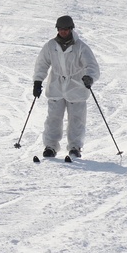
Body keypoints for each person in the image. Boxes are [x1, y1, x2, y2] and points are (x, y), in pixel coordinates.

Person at [32, 15, 101, 159]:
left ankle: (75, 147)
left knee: (77, 119)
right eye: (60, 29)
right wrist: (38, 81)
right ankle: (50, 146)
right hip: (56, 86)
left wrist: (89, 77)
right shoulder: (51, 46)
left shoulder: (80, 47)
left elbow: (92, 65)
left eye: (66, 29)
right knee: (53, 118)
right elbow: (42, 64)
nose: (63, 32)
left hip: (76, 87)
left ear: (71, 29)